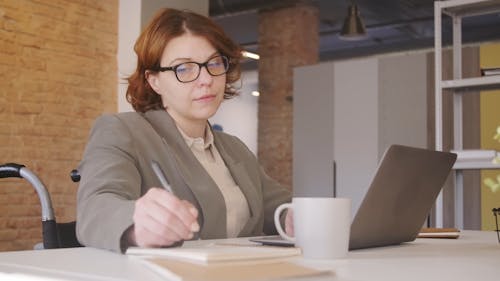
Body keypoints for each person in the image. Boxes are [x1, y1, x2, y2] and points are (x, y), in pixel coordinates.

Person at [76, 8, 293, 253]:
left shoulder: (234, 148)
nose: (205, 79)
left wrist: (295, 218)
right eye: (184, 68)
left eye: (213, 63)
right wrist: (136, 225)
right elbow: (95, 208)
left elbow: (277, 206)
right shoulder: (123, 132)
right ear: (154, 80)